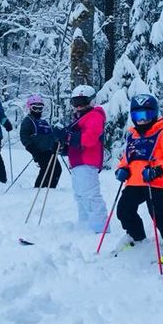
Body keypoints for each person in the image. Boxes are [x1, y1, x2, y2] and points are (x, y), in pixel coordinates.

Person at [113, 94, 163, 261]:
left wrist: (158, 170)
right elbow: (127, 157)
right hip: (134, 181)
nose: (142, 120)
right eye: (138, 116)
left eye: (146, 116)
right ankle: (136, 236)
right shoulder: (132, 135)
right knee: (123, 210)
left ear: (154, 114)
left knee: (159, 214)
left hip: (154, 182)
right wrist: (121, 169)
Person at [56, 85, 109, 232]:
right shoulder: (79, 119)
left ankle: (100, 229)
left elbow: (90, 138)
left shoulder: (95, 115)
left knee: (90, 195)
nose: (78, 107)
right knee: (80, 195)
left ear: (91, 101)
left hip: (88, 161)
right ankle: (85, 226)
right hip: (77, 162)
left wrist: (68, 137)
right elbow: (75, 141)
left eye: (82, 102)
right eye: (75, 102)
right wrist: (64, 146)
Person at [19, 94, 62, 188]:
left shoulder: (44, 121)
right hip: (39, 151)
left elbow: (50, 135)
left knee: (57, 169)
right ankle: (40, 188)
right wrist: (32, 148)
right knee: (46, 169)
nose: (38, 111)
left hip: (49, 150)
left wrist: (56, 142)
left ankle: (50, 188)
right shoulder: (28, 121)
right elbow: (24, 136)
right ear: (30, 108)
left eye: (40, 108)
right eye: (35, 108)